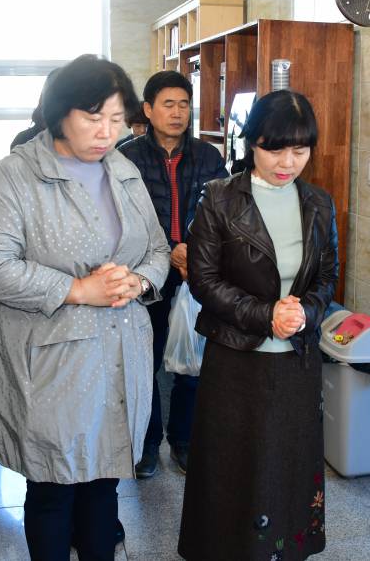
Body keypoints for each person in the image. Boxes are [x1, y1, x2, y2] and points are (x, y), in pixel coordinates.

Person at [0, 54, 169, 561]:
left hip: (122, 350)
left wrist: (140, 279)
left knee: (104, 486)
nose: (107, 132)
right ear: (60, 113)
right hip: (54, 359)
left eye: (117, 118)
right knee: (54, 487)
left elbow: (157, 249)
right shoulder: (18, 174)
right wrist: (78, 290)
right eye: (93, 117)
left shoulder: (122, 169)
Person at [178, 90, 339, 561]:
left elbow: (328, 275)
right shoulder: (219, 199)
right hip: (236, 356)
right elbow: (204, 281)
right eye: (274, 149)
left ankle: (284, 550)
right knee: (234, 464)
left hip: (296, 361)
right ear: (252, 144)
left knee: (288, 463)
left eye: (300, 150)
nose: (287, 162)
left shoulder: (318, 203)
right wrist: (265, 314)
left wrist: (306, 311)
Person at [118, 70, 227, 477]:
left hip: (197, 270)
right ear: (147, 110)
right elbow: (122, 221)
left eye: (184, 104)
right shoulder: (125, 158)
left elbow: (221, 212)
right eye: (168, 104)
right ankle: (146, 445)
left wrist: (193, 250)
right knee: (145, 361)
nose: (178, 113)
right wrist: (168, 249)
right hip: (147, 273)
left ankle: (184, 440)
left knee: (193, 361)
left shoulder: (208, 156)